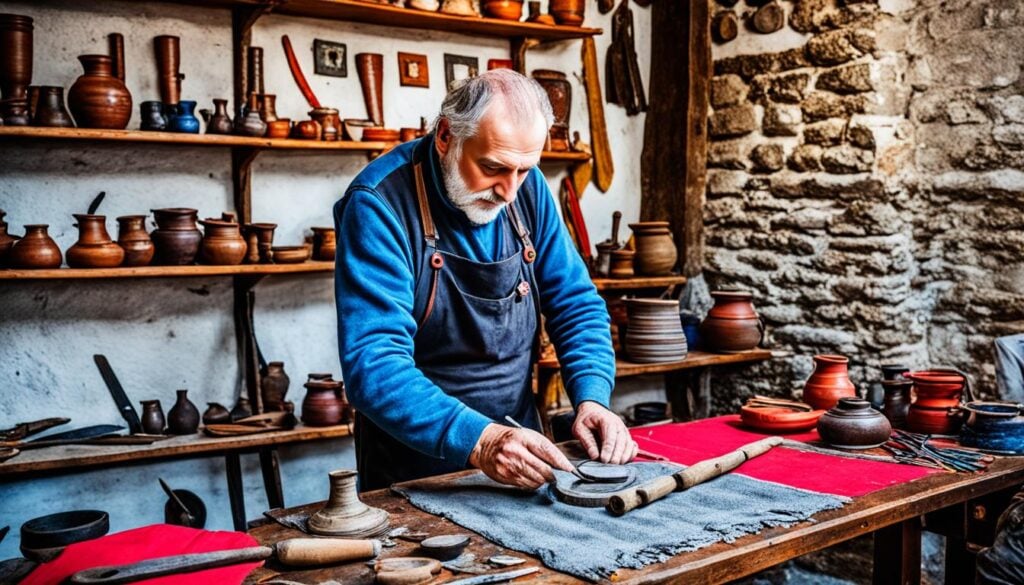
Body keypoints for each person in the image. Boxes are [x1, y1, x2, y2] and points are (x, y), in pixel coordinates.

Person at [333, 69, 637, 491]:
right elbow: (374, 364)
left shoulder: (527, 192)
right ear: (445, 137)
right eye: (493, 167)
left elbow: (577, 305)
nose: (509, 190)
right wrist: (482, 440)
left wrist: (592, 397)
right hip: (413, 471)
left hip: (522, 452)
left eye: (525, 170)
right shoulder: (379, 204)